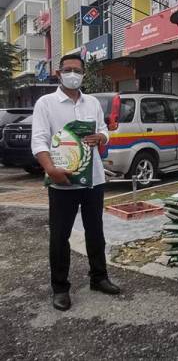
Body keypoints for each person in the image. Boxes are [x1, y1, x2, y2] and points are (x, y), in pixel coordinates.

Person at [31, 53, 120, 312]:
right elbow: (38, 140)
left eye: (77, 70)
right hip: (62, 181)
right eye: (68, 70)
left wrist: (101, 138)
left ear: (83, 74)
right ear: (58, 73)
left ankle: (99, 277)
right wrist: (49, 168)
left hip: (93, 179)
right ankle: (60, 288)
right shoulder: (46, 103)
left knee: (96, 232)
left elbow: (104, 130)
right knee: (60, 237)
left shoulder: (91, 102)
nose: (73, 74)